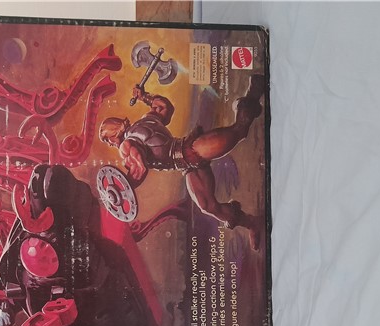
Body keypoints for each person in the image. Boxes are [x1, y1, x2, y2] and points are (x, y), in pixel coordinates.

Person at [99, 74, 265, 249]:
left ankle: (252, 92)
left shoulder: (125, 146)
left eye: (108, 139)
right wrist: (144, 97)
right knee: (208, 205)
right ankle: (251, 223)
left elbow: (139, 169)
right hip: (186, 165)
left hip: (193, 149)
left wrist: (121, 189)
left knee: (239, 131)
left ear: (113, 133)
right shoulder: (145, 120)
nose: (110, 143)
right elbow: (165, 107)